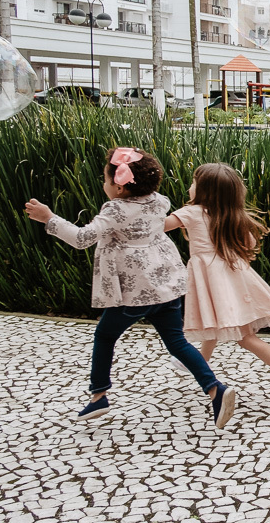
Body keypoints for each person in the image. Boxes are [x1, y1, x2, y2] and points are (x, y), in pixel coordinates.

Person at [23, 147, 237, 428]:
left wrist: (49, 218)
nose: (104, 184)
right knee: (177, 342)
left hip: (133, 291)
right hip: (165, 285)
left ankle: (99, 395)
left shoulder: (115, 208)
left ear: (120, 187)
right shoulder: (159, 201)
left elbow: (82, 238)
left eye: (106, 179)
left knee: (105, 335)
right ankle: (215, 390)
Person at [166, 163, 270, 406]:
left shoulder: (192, 212)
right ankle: (200, 362)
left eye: (193, 183)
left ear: (204, 191)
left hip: (213, 280)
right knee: (219, 324)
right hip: (234, 276)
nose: (190, 187)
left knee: (244, 336)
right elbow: (249, 245)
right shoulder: (232, 215)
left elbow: (159, 226)